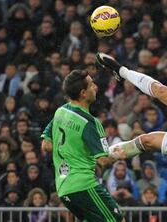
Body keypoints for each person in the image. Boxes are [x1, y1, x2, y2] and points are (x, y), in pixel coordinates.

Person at [40, 70, 124, 222]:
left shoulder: (60, 112)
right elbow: (103, 160)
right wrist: (122, 153)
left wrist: (72, 151)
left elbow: (46, 145)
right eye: (92, 85)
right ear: (83, 93)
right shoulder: (90, 123)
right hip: (84, 185)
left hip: (64, 188)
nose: (96, 87)